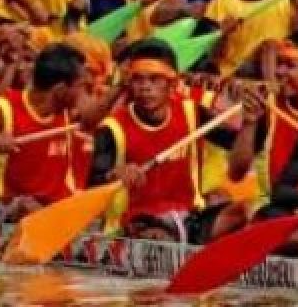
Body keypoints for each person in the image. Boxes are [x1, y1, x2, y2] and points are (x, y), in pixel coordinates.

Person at [88, 39, 253, 244]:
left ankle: (187, 244)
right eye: (138, 80)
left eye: (155, 79)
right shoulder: (112, 127)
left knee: (242, 212)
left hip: (189, 217)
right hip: (137, 224)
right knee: (156, 237)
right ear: (130, 83)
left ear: (172, 83)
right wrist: (115, 174)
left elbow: (236, 144)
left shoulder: (191, 112)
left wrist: (251, 122)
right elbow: (93, 181)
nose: (145, 88)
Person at [0, 43, 86, 216]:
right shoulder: (2, 108)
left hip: (50, 212)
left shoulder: (67, 111)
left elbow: (95, 115)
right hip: (2, 210)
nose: (84, 93)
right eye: (81, 86)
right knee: (25, 207)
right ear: (60, 90)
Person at [227, 32, 298, 213]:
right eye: (279, 63)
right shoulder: (267, 105)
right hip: (271, 207)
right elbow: (236, 174)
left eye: (290, 65)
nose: (279, 72)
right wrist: (250, 123)